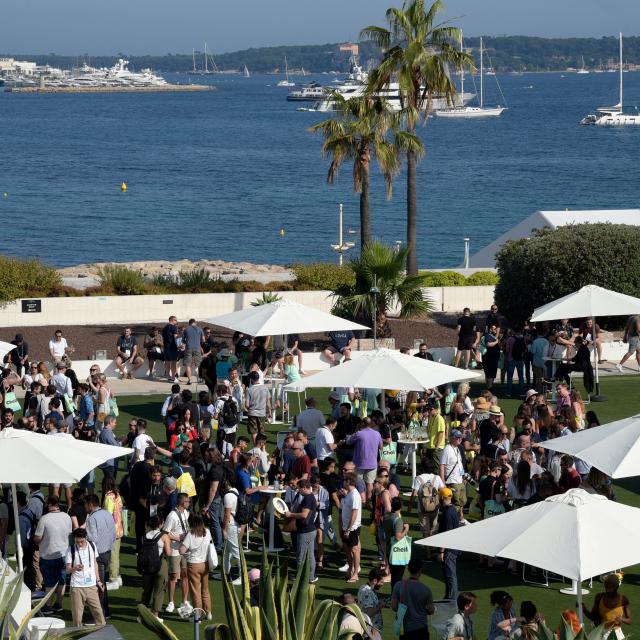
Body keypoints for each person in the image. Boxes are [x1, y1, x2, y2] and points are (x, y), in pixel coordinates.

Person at [34, 495, 72, 615]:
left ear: (49, 504)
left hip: (48, 554)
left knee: (49, 582)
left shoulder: (44, 519)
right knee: (61, 580)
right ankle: (58, 604)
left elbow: (37, 538)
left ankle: (48, 605)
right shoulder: (67, 516)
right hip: (64, 554)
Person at [65, 528, 106, 628]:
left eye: (81, 541)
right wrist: (74, 568)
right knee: (77, 617)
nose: (79, 544)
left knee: (99, 613)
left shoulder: (92, 546)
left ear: (86, 538)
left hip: (91, 585)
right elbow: (67, 570)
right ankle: (77, 634)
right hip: (77, 587)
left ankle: (103, 633)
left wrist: (98, 581)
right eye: (77, 542)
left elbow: (95, 563)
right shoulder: (70, 550)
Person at [85, 494, 116, 619]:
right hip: (108, 551)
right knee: (102, 583)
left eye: (85, 504)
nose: (85, 506)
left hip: (97, 554)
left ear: (91, 504)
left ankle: (100, 614)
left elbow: (93, 538)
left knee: (98, 584)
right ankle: (105, 611)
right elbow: (113, 533)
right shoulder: (107, 513)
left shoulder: (92, 519)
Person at [391, 557, 435, 640]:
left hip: (405, 629)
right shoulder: (426, 589)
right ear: (420, 570)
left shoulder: (399, 585)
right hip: (421, 630)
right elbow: (431, 611)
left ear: (408, 569)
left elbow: (394, 607)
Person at [179, 513, 213, 619]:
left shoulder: (190, 534)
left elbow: (181, 550)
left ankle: (198, 614)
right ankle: (208, 613)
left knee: (195, 590)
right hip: (205, 564)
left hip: (193, 565)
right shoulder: (207, 532)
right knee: (205, 589)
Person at [285, 478, 318, 583]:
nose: (298, 490)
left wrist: (291, 514)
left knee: (301, 556)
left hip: (305, 532)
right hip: (311, 530)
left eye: (299, 488)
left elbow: (304, 515)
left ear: (304, 488)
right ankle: (311, 577)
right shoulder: (311, 497)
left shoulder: (308, 498)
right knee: (310, 556)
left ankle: (299, 577)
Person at [164, 492, 192, 615]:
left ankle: (184, 601)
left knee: (185, 575)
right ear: (182, 502)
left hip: (185, 549)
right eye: (187, 501)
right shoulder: (172, 515)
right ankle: (171, 602)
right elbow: (165, 532)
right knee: (174, 576)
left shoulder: (186, 513)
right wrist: (179, 538)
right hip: (175, 549)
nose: (189, 503)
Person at [140, 515, 171, 622]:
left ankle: (142, 615)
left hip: (146, 566)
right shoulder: (164, 536)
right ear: (161, 524)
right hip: (160, 565)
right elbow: (168, 553)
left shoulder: (145, 535)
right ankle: (155, 614)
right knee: (159, 590)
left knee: (146, 590)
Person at [348, 417, 383, 502]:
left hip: (359, 463)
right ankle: (368, 501)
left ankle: (359, 500)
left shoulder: (359, 433)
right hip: (372, 463)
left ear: (362, 423)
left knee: (358, 482)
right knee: (370, 483)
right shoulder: (377, 434)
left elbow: (349, 441)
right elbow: (381, 447)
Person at [437, 487, 460, 601]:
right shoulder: (452, 510)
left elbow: (445, 535)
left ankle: (451, 598)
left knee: (450, 575)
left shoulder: (447, 513)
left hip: (449, 550)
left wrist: (441, 551)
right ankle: (449, 596)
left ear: (442, 497)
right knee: (449, 575)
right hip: (452, 547)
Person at [383, 496, 410, 589]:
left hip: (389, 550)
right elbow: (398, 537)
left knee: (394, 577)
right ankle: (395, 598)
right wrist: (406, 529)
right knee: (397, 578)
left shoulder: (386, 516)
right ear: (401, 507)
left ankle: (393, 596)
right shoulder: (397, 520)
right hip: (397, 552)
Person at [341, 472, 362, 583]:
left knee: (354, 550)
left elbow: (354, 513)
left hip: (352, 528)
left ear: (348, 481)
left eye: (345, 480)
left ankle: (355, 574)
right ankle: (351, 569)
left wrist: (349, 529)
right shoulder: (350, 493)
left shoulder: (355, 495)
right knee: (348, 550)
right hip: (346, 527)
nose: (343, 482)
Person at [103, 478, 124, 590]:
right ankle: (117, 577)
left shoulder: (108, 497)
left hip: (112, 531)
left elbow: (108, 514)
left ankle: (113, 579)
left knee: (113, 556)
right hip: (119, 529)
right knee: (116, 555)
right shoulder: (118, 495)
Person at [439, 429, 466, 516]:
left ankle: (459, 518)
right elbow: (442, 465)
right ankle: (451, 519)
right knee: (455, 503)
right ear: (452, 438)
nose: (460, 439)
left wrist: (463, 477)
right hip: (452, 481)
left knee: (462, 501)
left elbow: (459, 464)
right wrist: (443, 481)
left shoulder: (457, 448)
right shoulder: (447, 449)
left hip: (459, 480)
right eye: (458, 437)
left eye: (461, 438)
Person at [358, 568, 387, 634]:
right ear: (375, 581)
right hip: (371, 630)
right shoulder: (367, 592)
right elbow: (368, 613)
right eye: (381, 582)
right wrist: (380, 606)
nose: (382, 584)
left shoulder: (364, 587)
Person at [245, 371, 270, 442]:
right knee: (262, 432)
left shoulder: (249, 390)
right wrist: (269, 412)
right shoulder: (265, 388)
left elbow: (247, 405)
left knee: (254, 432)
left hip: (252, 413)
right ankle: (263, 449)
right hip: (262, 413)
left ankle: (256, 448)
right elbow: (268, 403)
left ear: (252, 379)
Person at [182, 318, 204, 386]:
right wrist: (198, 341)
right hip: (197, 348)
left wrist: (187, 341)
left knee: (188, 364)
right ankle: (201, 379)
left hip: (188, 348)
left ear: (189, 323)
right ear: (195, 322)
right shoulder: (200, 329)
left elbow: (183, 341)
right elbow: (203, 339)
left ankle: (189, 380)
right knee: (199, 364)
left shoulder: (186, 329)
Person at [162, 316, 180, 382]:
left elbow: (163, 337)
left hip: (166, 347)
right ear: (172, 320)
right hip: (172, 347)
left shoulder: (164, 328)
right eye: (176, 320)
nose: (176, 322)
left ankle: (168, 376)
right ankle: (173, 377)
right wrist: (180, 335)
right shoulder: (174, 327)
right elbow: (175, 337)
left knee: (167, 362)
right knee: (174, 362)